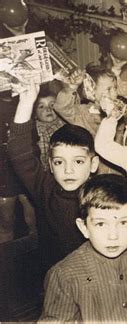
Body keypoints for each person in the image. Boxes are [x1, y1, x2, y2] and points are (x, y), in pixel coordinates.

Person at [39, 174, 127, 322]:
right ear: (84, 228)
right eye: (100, 224)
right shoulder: (64, 276)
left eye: (123, 223)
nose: (113, 236)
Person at [8, 81, 98, 273]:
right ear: (50, 164)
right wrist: (26, 101)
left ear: (94, 164)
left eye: (78, 162)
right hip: (54, 278)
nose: (68, 170)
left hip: (93, 276)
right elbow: (18, 151)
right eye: (59, 162)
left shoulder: (102, 194)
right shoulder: (44, 187)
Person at [0, 1, 37, 243]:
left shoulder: (31, 40)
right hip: (2, 146)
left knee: (32, 204)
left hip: (25, 137)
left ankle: (37, 248)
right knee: (6, 214)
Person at [34, 84, 65, 170]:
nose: (48, 109)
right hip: (48, 168)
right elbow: (43, 153)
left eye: (52, 105)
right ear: (35, 114)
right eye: (41, 106)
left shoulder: (63, 122)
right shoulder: (37, 129)